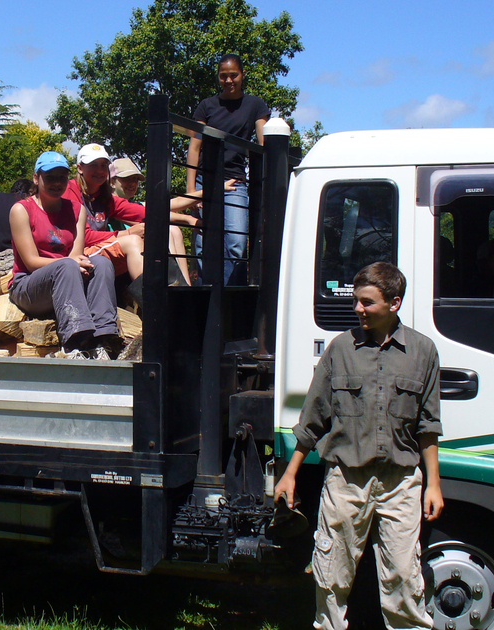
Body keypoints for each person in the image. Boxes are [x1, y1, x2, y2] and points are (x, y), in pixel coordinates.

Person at [274, 262, 443, 630]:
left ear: (394, 303)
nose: (357, 309)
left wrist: (433, 484)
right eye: (356, 301)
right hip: (346, 480)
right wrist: (289, 475)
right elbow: (312, 419)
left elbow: (428, 426)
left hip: (400, 481)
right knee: (332, 571)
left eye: (366, 302)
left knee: (403, 572)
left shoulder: (423, 351)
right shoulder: (340, 349)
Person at [9, 151, 120, 360]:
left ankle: (104, 336)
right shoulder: (21, 210)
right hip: (28, 286)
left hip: (68, 281)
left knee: (101, 263)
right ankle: (75, 342)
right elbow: (31, 262)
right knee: (67, 266)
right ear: (36, 178)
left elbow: (77, 256)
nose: (56, 183)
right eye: (49, 177)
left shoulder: (77, 210)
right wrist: (67, 263)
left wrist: (71, 263)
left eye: (61, 177)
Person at [66, 144, 216, 286]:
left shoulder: (105, 198)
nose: (99, 170)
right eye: (93, 165)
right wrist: (127, 233)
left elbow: (149, 211)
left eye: (103, 165)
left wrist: (188, 218)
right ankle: (155, 302)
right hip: (75, 254)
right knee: (134, 240)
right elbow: (82, 237)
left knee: (162, 229)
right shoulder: (71, 191)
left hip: (103, 253)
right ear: (80, 168)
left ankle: (177, 290)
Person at [185, 54, 270, 285]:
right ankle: (207, 293)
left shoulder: (255, 105)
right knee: (204, 241)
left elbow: (263, 143)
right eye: (223, 76)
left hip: (235, 181)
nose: (229, 80)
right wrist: (191, 191)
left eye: (233, 75)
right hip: (205, 180)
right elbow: (195, 147)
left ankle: (232, 295)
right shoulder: (207, 105)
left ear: (242, 75)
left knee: (237, 242)